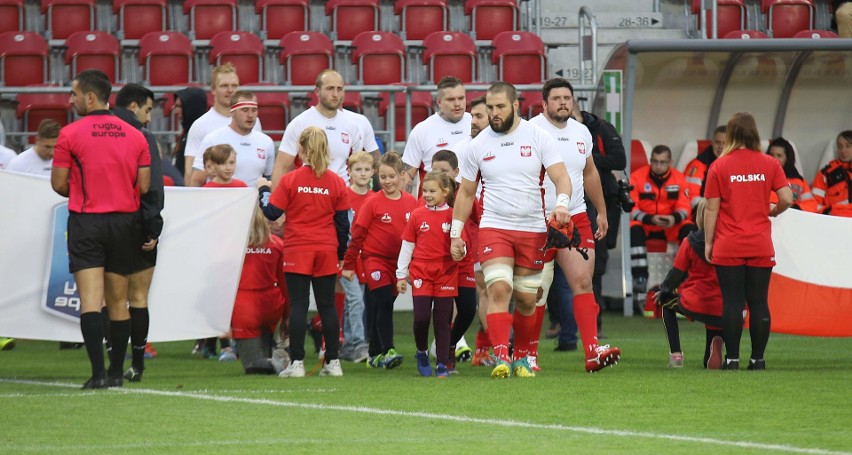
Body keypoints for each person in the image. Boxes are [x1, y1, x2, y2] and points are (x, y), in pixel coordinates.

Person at [450, 81, 575, 379]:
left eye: (500, 107)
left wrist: (562, 204)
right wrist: (456, 233)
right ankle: (501, 356)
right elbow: (466, 193)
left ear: (515, 105)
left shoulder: (537, 136)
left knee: (527, 299)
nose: (494, 113)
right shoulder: (476, 145)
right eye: (489, 108)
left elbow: (561, 176)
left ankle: (522, 357)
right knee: (499, 288)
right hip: (495, 228)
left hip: (532, 228)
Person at [50, 69, 151, 389]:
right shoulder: (137, 135)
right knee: (119, 301)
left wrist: (83, 190)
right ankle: (117, 373)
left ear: (90, 97)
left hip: (87, 221)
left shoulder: (70, 134)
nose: (71, 99)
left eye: (74, 93)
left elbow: (58, 183)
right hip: (126, 222)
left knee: (91, 301)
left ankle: (97, 375)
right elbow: (145, 186)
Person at [529, 77, 619, 374]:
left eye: (567, 98)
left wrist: (601, 212)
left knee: (582, 281)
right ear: (544, 104)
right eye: (556, 98)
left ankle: (592, 353)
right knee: (535, 290)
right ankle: (527, 354)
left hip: (577, 215)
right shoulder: (531, 131)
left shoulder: (582, 131)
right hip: (538, 218)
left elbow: (590, 172)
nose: (563, 103)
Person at [258, 126, 351, 378]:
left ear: (301, 150)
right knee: (327, 306)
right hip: (326, 247)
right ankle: (333, 362)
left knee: (299, 305)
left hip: (299, 247)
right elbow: (343, 224)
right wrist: (341, 252)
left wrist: (263, 189)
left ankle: (297, 363)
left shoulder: (291, 179)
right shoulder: (337, 181)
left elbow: (271, 212)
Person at [704, 112, 793, 371]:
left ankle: (732, 359)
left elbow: (711, 209)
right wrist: (773, 210)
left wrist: (709, 243)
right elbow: (787, 197)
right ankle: (758, 359)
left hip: (728, 243)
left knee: (732, 302)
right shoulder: (770, 164)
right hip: (759, 244)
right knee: (759, 302)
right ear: (755, 134)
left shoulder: (719, 165)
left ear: (730, 134)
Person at [342, 152, 416, 369]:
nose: (387, 181)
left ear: (402, 175)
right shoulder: (372, 202)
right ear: (377, 176)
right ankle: (388, 350)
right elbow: (357, 236)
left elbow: (417, 237)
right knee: (383, 302)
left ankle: (373, 352)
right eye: (382, 177)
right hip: (374, 260)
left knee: (379, 307)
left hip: (398, 264)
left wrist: (414, 265)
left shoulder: (411, 203)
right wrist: (348, 264)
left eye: (391, 176)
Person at [113, 83, 165, 381]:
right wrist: (153, 227)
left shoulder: (91, 130)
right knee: (138, 297)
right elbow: (152, 188)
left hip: (102, 224)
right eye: (147, 110)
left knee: (112, 300)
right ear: (133, 106)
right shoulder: (142, 136)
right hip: (135, 223)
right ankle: (137, 364)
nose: (148, 118)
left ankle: (112, 366)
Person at [397, 171, 460, 378]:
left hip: (446, 273)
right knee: (422, 318)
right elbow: (407, 245)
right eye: (424, 191)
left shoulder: (453, 215)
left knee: (442, 321)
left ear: (445, 192)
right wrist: (400, 274)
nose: (428, 195)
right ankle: (422, 352)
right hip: (421, 272)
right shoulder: (417, 215)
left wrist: (461, 251)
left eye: (432, 191)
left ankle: (442, 364)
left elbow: (462, 243)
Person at [271, 69, 379, 187]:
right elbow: (282, 167)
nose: (335, 94)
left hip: (341, 196)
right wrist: (275, 204)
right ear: (317, 91)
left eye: (339, 89)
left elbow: (357, 168)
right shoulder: (299, 123)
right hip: (309, 194)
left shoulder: (352, 126)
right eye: (330, 88)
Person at [572, 106, 627, 337]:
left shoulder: (600, 128)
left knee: (595, 267)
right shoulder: (543, 131)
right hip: (567, 205)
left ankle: (596, 324)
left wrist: (587, 157)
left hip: (598, 202)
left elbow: (620, 159)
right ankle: (559, 323)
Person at [654, 198, 724, 369]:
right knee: (715, 324)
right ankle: (721, 350)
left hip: (695, 300)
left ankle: (676, 355)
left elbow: (677, 273)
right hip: (723, 304)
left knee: (666, 305)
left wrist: (664, 291)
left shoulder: (690, 241)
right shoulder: (728, 242)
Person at [429, 150, 477, 371]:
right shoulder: (427, 197)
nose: (440, 174)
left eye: (444, 171)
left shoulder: (466, 194)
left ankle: (448, 343)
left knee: (468, 309)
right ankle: (443, 356)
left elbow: (480, 220)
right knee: (444, 309)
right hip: (440, 263)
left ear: (456, 172)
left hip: (464, 261)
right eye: (435, 170)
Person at [629, 145, 696, 295]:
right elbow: (631, 208)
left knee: (689, 229)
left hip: (671, 225)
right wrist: (650, 218)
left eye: (662, 162)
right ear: (650, 160)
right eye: (655, 161)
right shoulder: (637, 177)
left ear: (670, 162)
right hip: (646, 223)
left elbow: (685, 206)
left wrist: (674, 218)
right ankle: (640, 278)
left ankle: (686, 279)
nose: (658, 166)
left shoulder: (679, 178)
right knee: (634, 228)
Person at [232, 207, 289, 375]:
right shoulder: (278, 244)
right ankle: (281, 361)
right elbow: (284, 284)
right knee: (264, 358)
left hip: (244, 305)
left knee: (252, 364)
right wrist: (287, 316)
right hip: (271, 304)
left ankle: (283, 364)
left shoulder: (232, 246)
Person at [184, 63, 261, 184]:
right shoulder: (200, 125)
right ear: (213, 90)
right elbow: (191, 174)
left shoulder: (254, 122)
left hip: (251, 199)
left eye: (234, 86)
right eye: (224, 86)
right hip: (218, 198)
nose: (230, 90)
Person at [191, 91, 275, 188]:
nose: (250, 115)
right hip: (222, 200)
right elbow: (196, 179)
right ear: (232, 112)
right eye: (245, 110)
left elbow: (268, 179)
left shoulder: (266, 142)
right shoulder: (213, 139)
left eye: (254, 110)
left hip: (254, 202)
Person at [401, 76, 471, 193]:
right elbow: (407, 176)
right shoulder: (422, 130)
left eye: (461, 98)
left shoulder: (477, 124)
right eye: (451, 99)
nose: (457, 103)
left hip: (471, 203)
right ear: (439, 102)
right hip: (432, 205)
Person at [338, 152, 374, 363]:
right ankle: (359, 344)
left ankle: (348, 344)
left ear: (372, 173)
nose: (362, 174)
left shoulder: (374, 197)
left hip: (366, 257)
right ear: (349, 172)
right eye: (358, 170)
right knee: (356, 300)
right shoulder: (343, 196)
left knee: (354, 300)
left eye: (366, 170)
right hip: (345, 257)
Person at [766, 137, 817, 213]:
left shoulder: (799, 181)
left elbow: (811, 204)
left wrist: (797, 208)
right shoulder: (760, 177)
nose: (774, 159)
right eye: (771, 155)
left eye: (779, 155)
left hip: (792, 220)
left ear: (787, 158)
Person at [685, 125, 726, 216]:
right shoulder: (698, 165)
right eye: (717, 142)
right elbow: (691, 197)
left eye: (725, 143)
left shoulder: (737, 165)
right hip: (701, 214)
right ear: (712, 143)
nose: (721, 146)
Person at [812, 130, 852, 217]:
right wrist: (829, 212)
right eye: (840, 146)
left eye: (848, 146)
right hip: (834, 220)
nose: (843, 150)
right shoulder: (825, 174)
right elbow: (815, 204)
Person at [172, 86, 207, 182]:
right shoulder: (185, 133)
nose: (176, 111)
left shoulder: (203, 133)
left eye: (179, 106)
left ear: (191, 107)